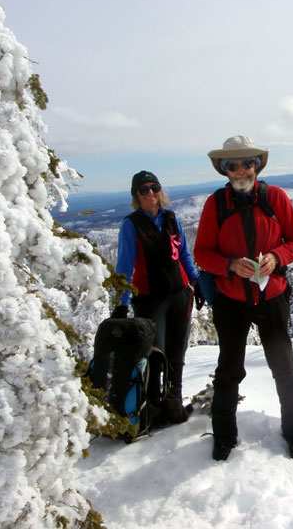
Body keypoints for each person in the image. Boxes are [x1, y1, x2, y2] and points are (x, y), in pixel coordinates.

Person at [193, 136, 293, 461]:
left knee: (283, 366)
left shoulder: (274, 197)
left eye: (247, 163)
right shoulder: (215, 205)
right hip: (231, 299)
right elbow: (202, 252)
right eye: (234, 165)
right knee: (229, 369)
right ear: (225, 170)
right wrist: (230, 265)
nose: (241, 169)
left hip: (271, 296)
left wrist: (276, 256)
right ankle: (224, 437)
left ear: (256, 166)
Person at [113, 170, 200, 423]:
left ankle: (175, 407)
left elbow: (184, 254)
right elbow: (124, 268)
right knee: (155, 357)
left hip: (180, 296)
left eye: (154, 187)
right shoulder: (131, 225)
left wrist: (196, 281)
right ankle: (152, 409)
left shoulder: (171, 219)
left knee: (177, 355)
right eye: (143, 190)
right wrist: (122, 304)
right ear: (136, 196)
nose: (150, 193)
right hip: (152, 301)